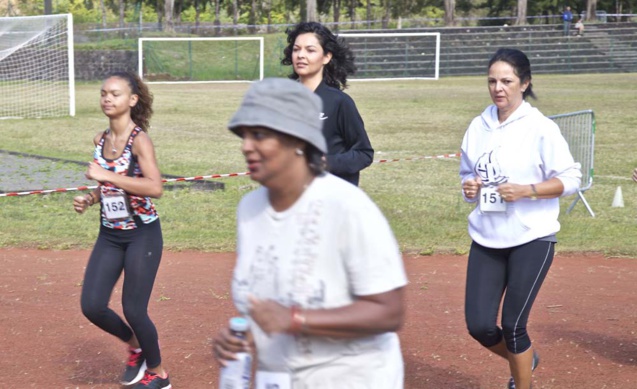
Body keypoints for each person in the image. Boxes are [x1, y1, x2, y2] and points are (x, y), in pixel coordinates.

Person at [212, 78, 407, 388]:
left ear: (298, 140)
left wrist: (295, 320)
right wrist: (246, 334)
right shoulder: (250, 209)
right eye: (244, 135)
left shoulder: (347, 207)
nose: (246, 146)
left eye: (260, 134)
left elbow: (389, 312)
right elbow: (268, 301)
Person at [459, 48, 582, 389]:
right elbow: (467, 172)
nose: (498, 88)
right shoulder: (477, 125)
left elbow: (571, 178)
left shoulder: (540, 128)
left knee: (514, 326)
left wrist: (528, 190)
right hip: (487, 236)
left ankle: (521, 380)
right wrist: (468, 185)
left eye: (507, 81)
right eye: (492, 81)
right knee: (480, 326)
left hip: (532, 237)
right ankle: (525, 360)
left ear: (525, 83)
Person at [72, 71, 171, 389]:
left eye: (115, 94)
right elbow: (108, 183)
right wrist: (91, 197)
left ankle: (158, 374)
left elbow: (154, 187)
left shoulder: (139, 139)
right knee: (92, 305)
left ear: (132, 100)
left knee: (134, 308)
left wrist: (106, 175)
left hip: (142, 234)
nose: (107, 98)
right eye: (103, 93)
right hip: (110, 234)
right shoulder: (100, 140)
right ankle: (136, 347)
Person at [281, 22, 374, 187]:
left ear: (326, 57)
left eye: (310, 50)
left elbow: (363, 154)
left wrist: (324, 163)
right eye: (296, 49)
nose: (301, 55)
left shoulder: (339, 102)